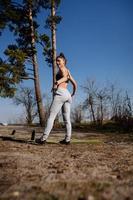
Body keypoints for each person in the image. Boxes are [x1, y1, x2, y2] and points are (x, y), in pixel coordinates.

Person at [36, 53, 77, 145]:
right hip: (67, 94)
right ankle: (67, 140)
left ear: (64, 62)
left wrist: (57, 82)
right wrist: (73, 93)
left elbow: (66, 77)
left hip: (61, 93)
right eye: (56, 61)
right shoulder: (68, 71)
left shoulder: (63, 69)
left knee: (51, 117)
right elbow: (74, 83)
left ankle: (43, 138)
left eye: (59, 60)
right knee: (67, 119)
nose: (57, 62)